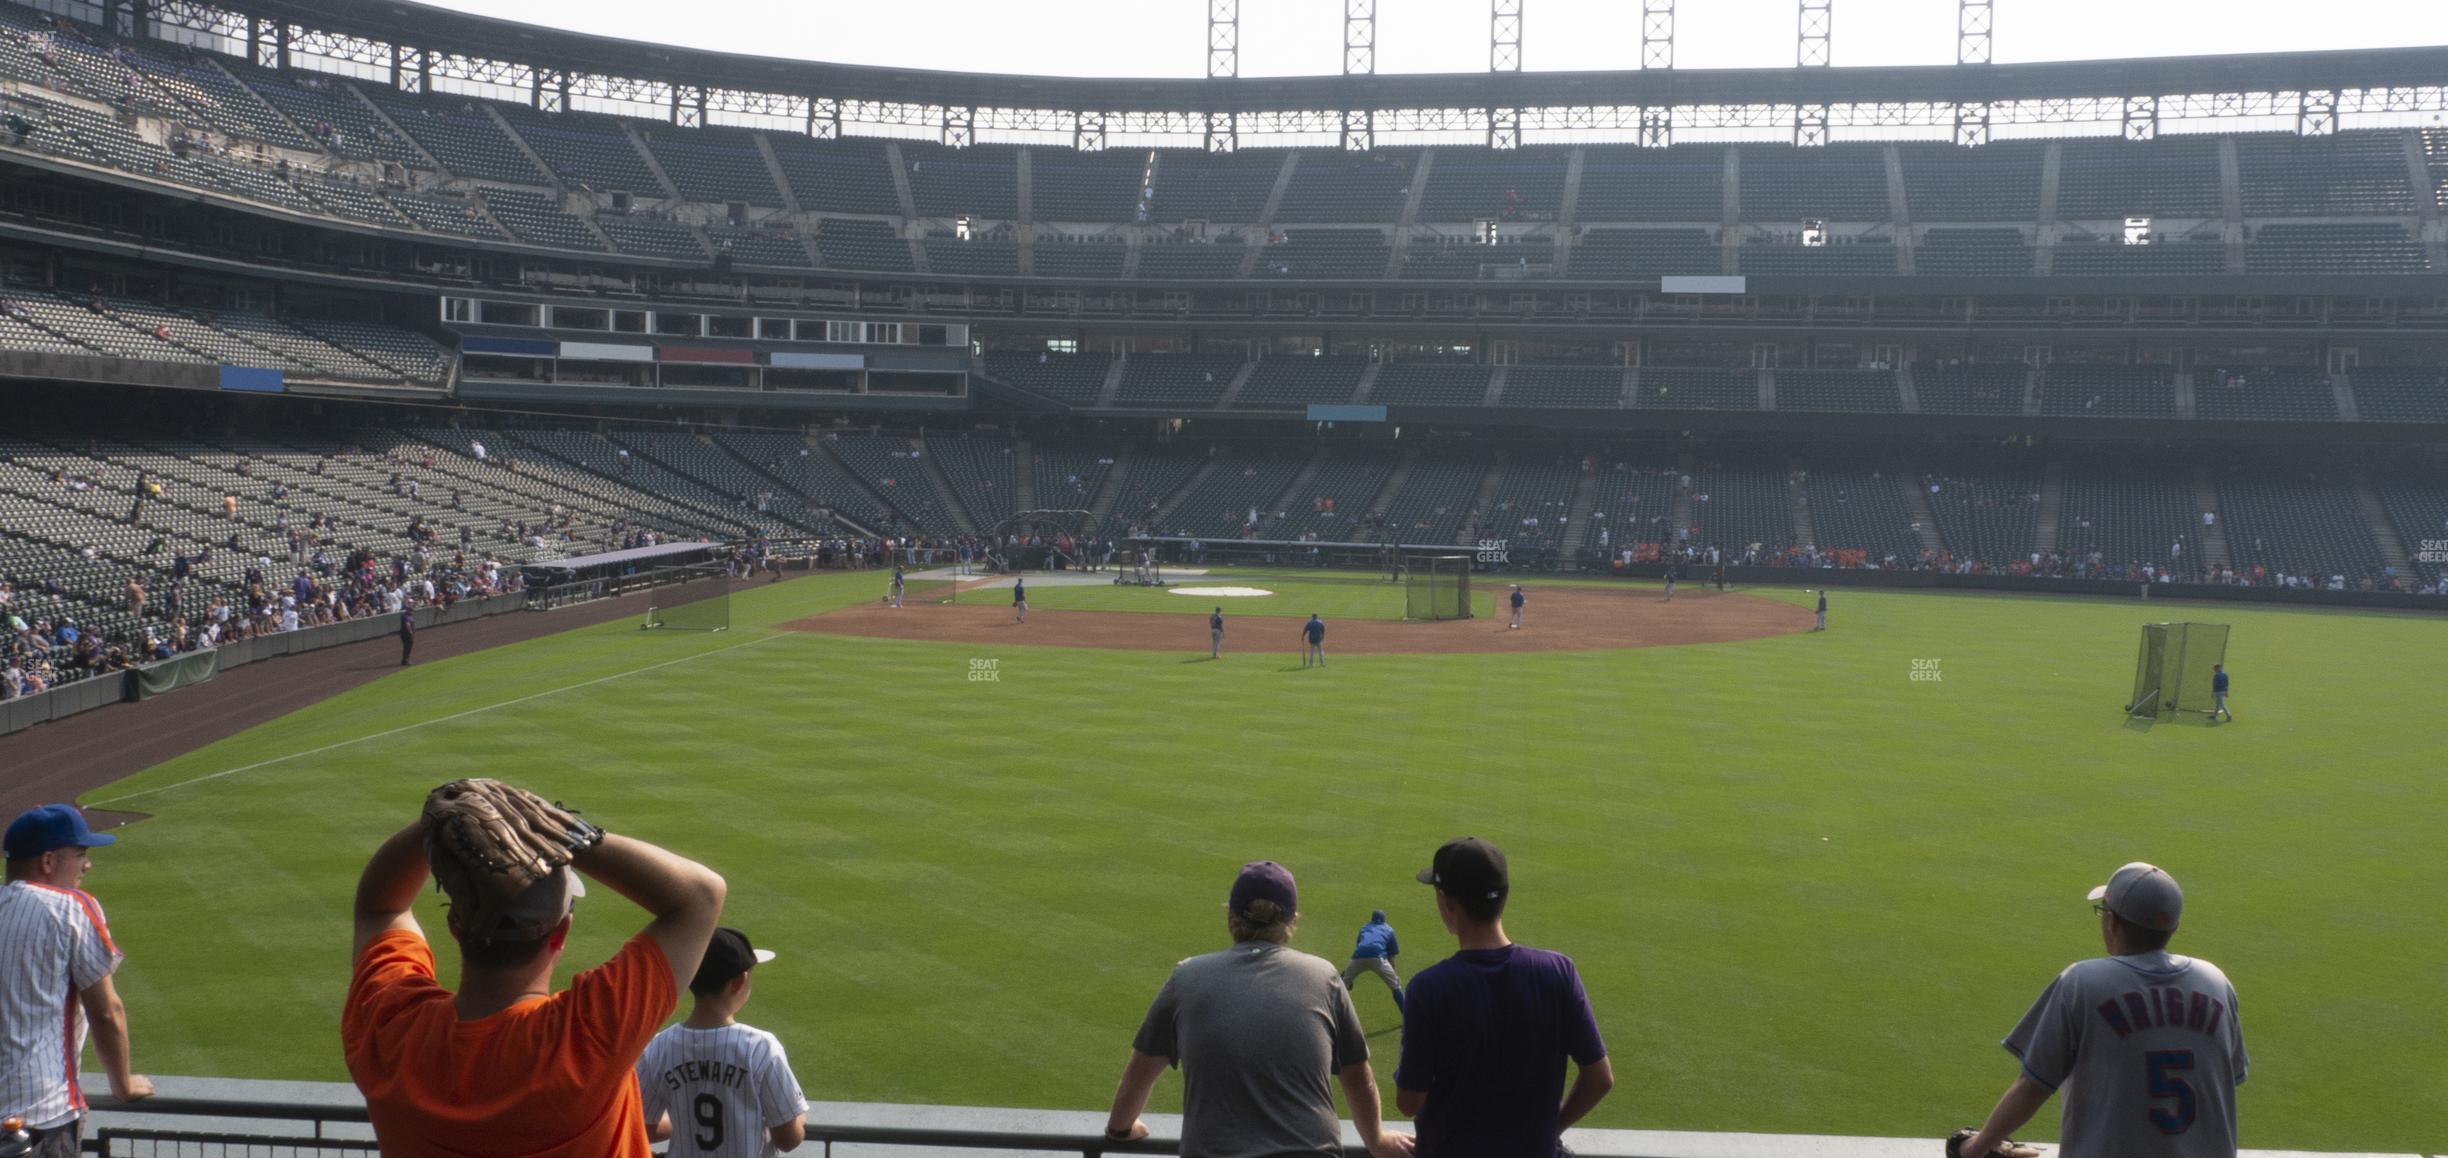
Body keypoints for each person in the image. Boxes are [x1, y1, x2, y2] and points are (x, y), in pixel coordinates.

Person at [342, 785, 727, 1155]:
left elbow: (381, 907)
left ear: (456, 926)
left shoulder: (392, 1030)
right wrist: (555, 829)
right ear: (561, 933)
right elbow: (701, 895)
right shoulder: (588, 1034)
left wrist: (439, 822)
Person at [1103, 861, 1411, 1158]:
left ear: (1231, 917)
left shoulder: (1187, 975)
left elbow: (1140, 1070)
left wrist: (1119, 1129)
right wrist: (1376, 1140)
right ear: (1292, 920)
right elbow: (1357, 1076)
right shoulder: (1323, 976)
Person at [1954, 862, 2246, 1158]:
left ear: (2112, 922)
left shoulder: (2083, 982)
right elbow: (2228, 1076)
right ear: (2174, 927)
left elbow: (2032, 1087)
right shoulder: (2216, 983)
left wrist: (1976, 1147)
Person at [1396, 837, 1612, 1158]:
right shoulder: (1558, 972)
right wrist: (1550, 1129)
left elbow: (1409, 1102)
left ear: (1447, 902)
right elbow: (1599, 1079)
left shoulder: (1429, 988)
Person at [1, 806, 154, 1158]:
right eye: (81, 854)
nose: (87, 865)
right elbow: (106, 1012)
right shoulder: (71, 907)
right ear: (49, 861)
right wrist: (123, 1084)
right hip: (40, 1115)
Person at [635, 927, 807, 1158]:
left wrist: (685, 1120)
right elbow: (788, 1139)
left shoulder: (658, 1047)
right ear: (739, 981)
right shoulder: (761, 1048)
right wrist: (798, 1117)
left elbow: (642, 1127)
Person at [1341, 910, 1405, 1015]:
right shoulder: (1389, 929)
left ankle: (1333, 1012)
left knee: (1342, 985)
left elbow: (1360, 946)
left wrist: (1350, 973)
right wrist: (1394, 975)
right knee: (1395, 987)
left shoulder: (1364, 928)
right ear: (1384, 919)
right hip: (1378, 959)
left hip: (1358, 957)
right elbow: (1391, 956)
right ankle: (1407, 1016)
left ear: (1372, 918)